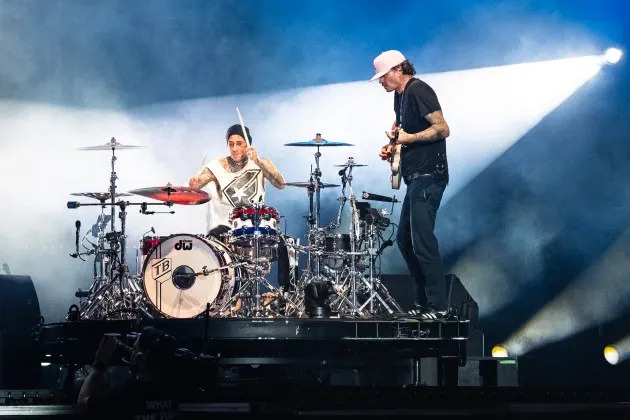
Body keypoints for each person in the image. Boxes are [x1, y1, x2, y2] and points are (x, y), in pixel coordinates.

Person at [370, 50, 454, 320]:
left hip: (430, 175)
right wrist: (392, 146)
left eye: (383, 77)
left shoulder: (419, 90)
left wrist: (409, 138)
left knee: (423, 241)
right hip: (415, 177)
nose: (381, 82)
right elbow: (401, 130)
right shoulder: (400, 95)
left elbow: (442, 128)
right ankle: (422, 304)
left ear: (398, 70)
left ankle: (439, 306)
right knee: (405, 240)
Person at [188, 125, 293, 294]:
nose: (235, 148)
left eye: (239, 143)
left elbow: (280, 184)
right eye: (231, 144)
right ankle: (211, 292)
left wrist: (258, 161)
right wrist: (194, 183)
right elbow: (196, 184)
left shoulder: (260, 162)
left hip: (257, 225)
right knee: (210, 241)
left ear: (248, 145)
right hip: (227, 225)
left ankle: (285, 293)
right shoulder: (216, 166)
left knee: (282, 244)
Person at [77, 327, 180, 419]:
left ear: (140, 359)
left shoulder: (125, 396)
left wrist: (98, 365)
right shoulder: (173, 392)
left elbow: (82, 404)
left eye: (134, 349)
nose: (131, 352)